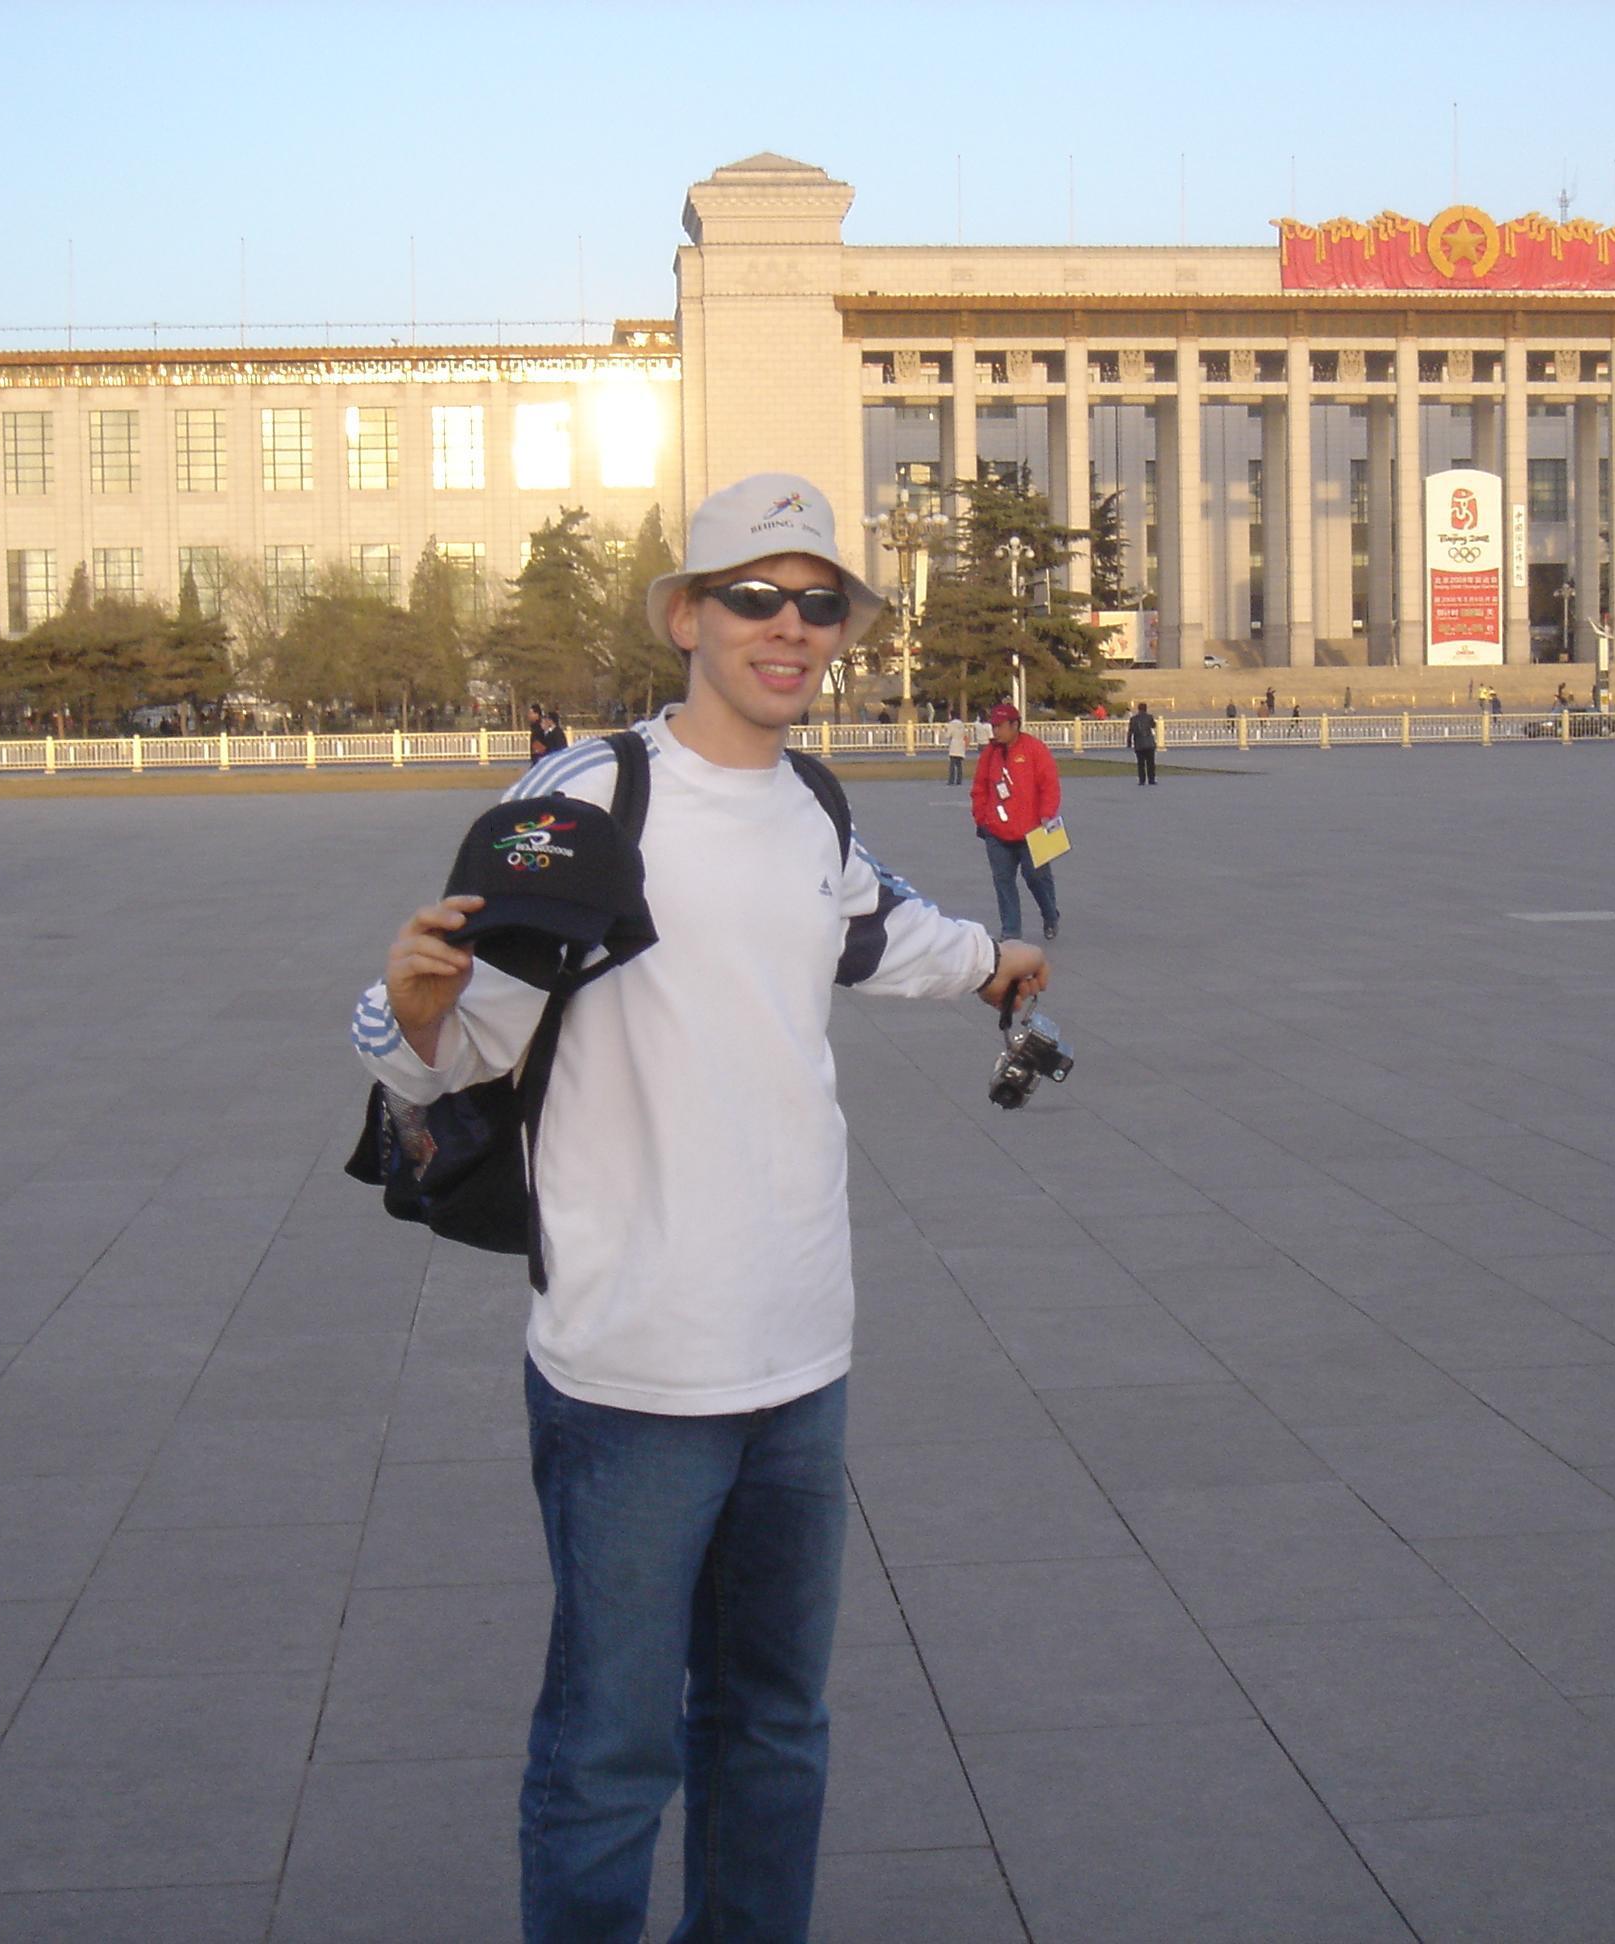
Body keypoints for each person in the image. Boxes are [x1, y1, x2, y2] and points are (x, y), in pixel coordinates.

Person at [352, 472, 1045, 1943]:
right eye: (755, 597)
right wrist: (404, 1014)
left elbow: (868, 932)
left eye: (818, 606)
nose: (789, 630)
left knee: (777, 1725)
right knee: (611, 1756)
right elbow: (459, 1034)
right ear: (685, 615)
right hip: (633, 1369)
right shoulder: (593, 798)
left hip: (803, 1355)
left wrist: (989, 958)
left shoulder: (810, 801)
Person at [972, 701, 1061, 942]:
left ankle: (1050, 914)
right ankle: (1011, 931)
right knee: (1003, 880)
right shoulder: (990, 754)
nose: (996, 731)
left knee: (1036, 877)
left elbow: (1049, 785)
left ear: (1015, 725)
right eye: (994, 726)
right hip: (997, 831)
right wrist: (981, 818)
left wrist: (1047, 814)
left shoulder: (1034, 749)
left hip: (1033, 829)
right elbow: (979, 788)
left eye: (1000, 726)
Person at [1127, 699, 1158, 785]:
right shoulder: (1149, 717)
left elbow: (1130, 731)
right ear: (1146, 709)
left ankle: (1142, 780)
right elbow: (1153, 725)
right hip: (1149, 743)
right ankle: (1151, 780)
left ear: (1138, 709)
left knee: (1140, 763)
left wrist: (1129, 742)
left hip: (1139, 743)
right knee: (1150, 763)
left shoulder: (1133, 719)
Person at [944, 709, 969, 786]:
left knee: (952, 764)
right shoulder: (961, 724)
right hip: (961, 743)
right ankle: (959, 780)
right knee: (959, 764)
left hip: (954, 744)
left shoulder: (951, 724)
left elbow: (948, 735)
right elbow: (965, 734)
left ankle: (951, 780)